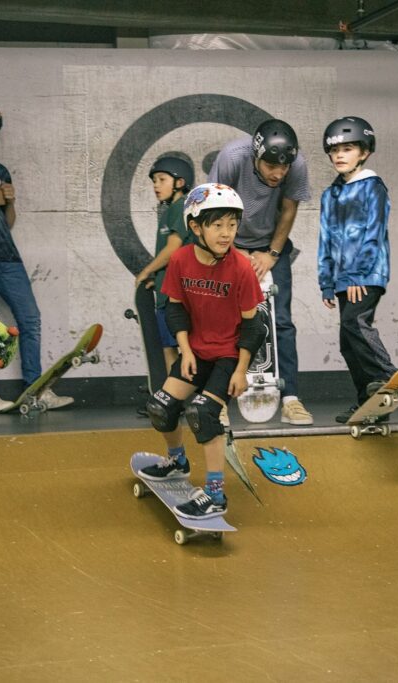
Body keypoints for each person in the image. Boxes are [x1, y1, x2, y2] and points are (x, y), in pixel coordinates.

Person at [137, 183, 264, 519]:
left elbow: (254, 327)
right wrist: (185, 350)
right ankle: (178, 461)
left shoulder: (240, 268)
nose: (227, 233)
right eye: (217, 225)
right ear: (196, 227)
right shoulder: (180, 260)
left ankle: (216, 495)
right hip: (196, 352)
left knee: (202, 414)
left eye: (232, 225)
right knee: (160, 407)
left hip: (228, 358)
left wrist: (241, 370)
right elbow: (175, 309)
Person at [0, 100, 71, 413]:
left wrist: (8, 203)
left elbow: (8, 223)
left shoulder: (0, 170)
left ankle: (35, 389)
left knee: (31, 318)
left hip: (7, 254)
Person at [209, 118, 313, 425]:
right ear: (256, 155)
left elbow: (290, 208)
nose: (278, 173)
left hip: (270, 246)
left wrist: (271, 254)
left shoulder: (295, 164)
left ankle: (291, 399)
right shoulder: (232, 157)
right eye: (270, 166)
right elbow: (215, 207)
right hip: (229, 245)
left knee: (281, 322)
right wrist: (233, 252)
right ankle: (216, 401)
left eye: (283, 168)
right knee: (222, 322)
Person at [317, 117, 398, 424]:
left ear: (363, 153)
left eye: (347, 149)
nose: (339, 155)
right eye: (334, 150)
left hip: (367, 273)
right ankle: (371, 402)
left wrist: (356, 275)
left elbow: (373, 232)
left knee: (355, 324)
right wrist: (327, 281)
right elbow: (325, 239)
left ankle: (387, 377)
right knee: (347, 340)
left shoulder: (372, 187)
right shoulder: (330, 194)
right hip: (341, 279)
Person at [134, 155, 194, 372]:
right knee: (169, 346)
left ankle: (174, 398)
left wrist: (146, 272)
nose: (156, 186)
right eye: (153, 181)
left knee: (173, 349)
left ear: (179, 182)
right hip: (165, 290)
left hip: (175, 296)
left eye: (161, 180)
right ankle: (173, 398)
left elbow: (173, 249)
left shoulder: (181, 207)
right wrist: (157, 279)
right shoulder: (169, 211)